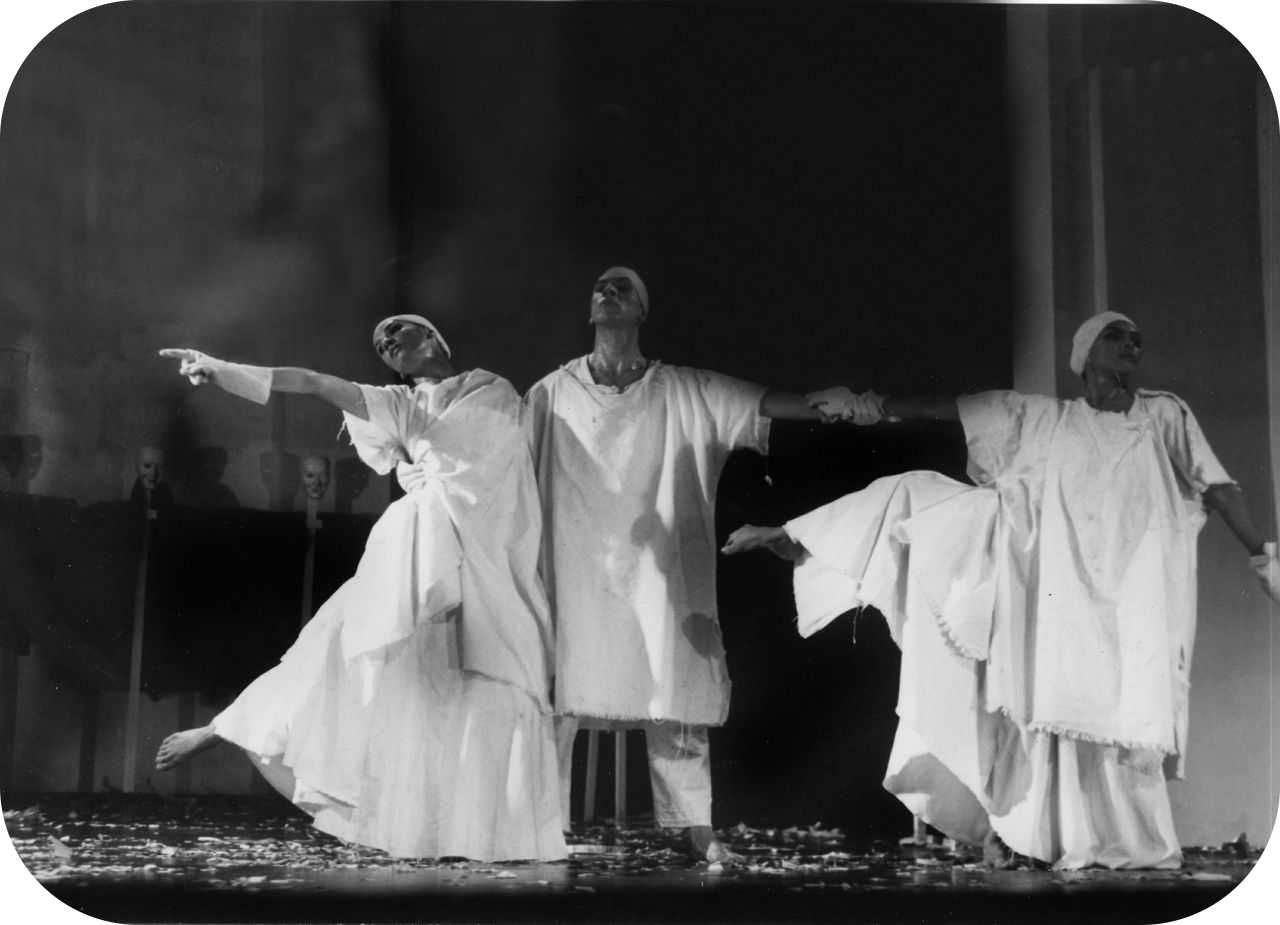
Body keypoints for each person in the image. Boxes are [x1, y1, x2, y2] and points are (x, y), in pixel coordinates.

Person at [723, 311, 1280, 870]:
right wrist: (867, 405)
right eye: (1116, 336)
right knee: (916, 495)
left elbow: (1218, 485)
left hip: (1132, 593)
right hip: (1056, 585)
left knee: (1122, 712)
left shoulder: (1163, 415)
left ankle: (1103, 838)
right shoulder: (1043, 419)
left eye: (1137, 338)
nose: (1132, 345)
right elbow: (952, 409)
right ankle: (797, 536)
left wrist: (1265, 555)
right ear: (1085, 356)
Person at [153, 315, 566, 862]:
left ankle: (469, 830)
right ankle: (222, 728)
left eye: (400, 332)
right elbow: (315, 383)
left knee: (489, 682)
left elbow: (516, 466)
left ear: (436, 339)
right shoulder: (397, 403)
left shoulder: (497, 392)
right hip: (424, 538)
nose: (390, 343)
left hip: (492, 548)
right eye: (382, 345)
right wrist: (224, 369)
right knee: (342, 646)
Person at [523, 266, 830, 862]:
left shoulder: (683, 390)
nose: (607, 293)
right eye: (600, 288)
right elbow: (499, 445)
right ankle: (539, 829)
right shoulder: (550, 393)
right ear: (590, 310)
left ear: (641, 311)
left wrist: (826, 403)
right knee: (554, 692)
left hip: (658, 574)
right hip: (578, 566)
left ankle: (697, 831)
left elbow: (758, 402)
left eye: (622, 289)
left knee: (674, 691)